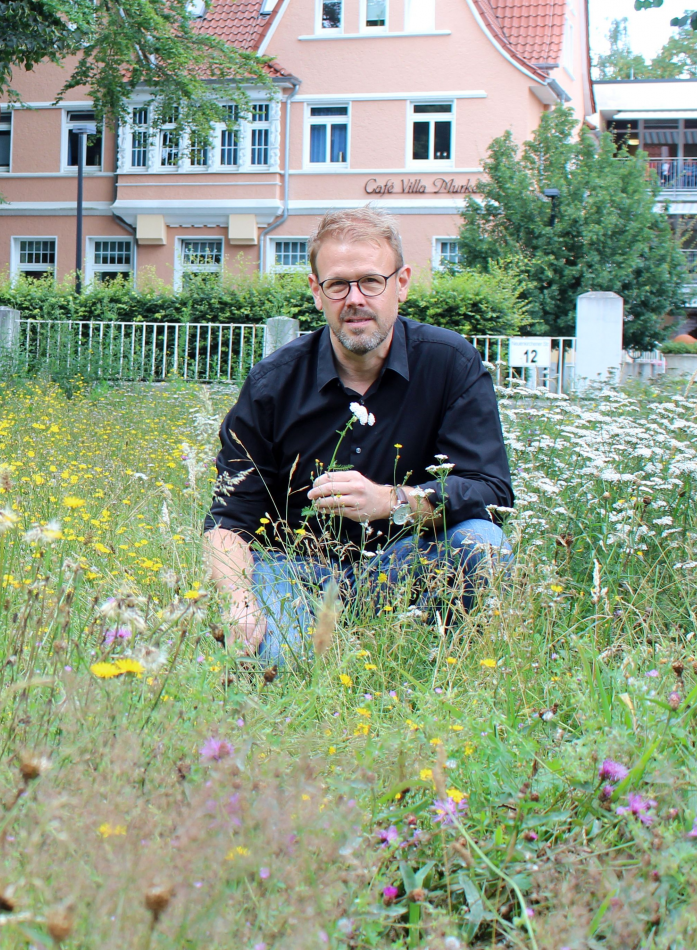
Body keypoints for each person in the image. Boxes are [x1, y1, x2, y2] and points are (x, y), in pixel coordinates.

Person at [203, 207, 513, 662]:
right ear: (316, 291)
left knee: (484, 545)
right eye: (337, 285)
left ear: (401, 283)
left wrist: (393, 502)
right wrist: (239, 601)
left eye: (371, 281)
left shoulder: (450, 364)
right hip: (296, 569)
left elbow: (492, 491)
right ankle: (298, 647)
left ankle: (440, 659)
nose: (355, 299)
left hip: (409, 562)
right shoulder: (274, 383)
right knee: (277, 664)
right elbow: (229, 520)